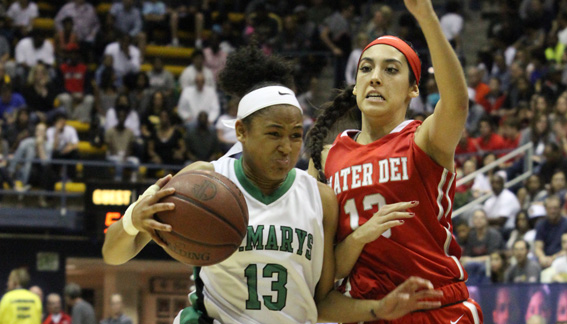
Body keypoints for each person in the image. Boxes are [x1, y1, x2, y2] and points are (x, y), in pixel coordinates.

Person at [102, 46, 443, 324]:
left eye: (296, 136)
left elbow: (322, 301)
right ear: (241, 133)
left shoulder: (320, 198)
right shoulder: (203, 181)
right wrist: (133, 219)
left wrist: (377, 309)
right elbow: (113, 254)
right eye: (274, 134)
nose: (287, 147)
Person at [307, 0, 483, 322]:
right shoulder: (325, 158)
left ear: (413, 89)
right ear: (356, 83)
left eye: (391, 70)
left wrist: (426, 17)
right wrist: (360, 236)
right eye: (366, 68)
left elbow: (457, 104)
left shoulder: (423, 140)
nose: (375, 78)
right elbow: (323, 268)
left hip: (435, 308)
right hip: (366, 311)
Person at [534, 195, 567, 268]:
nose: (552, 211)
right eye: (550, 208)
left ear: (560, 209)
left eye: (555, 208)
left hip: (564, 257)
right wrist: (542, 257)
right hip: (545, 259)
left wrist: (554, 258)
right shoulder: (540, 224)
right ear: (546, 209)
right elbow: (538, 247)